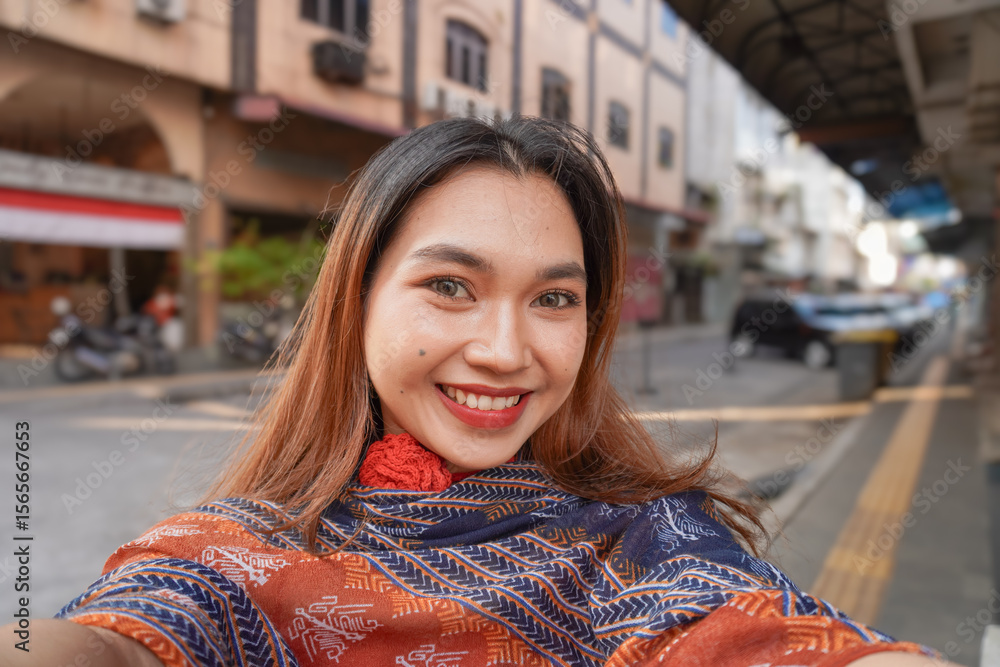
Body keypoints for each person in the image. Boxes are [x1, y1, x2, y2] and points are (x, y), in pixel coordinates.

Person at [4, 117, 953, 666]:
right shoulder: (230, 553)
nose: (505, 350)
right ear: (357, 300)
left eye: (552, 297)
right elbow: (132, 635)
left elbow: (742, 632)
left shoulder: (646, 540)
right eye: (450, 285)